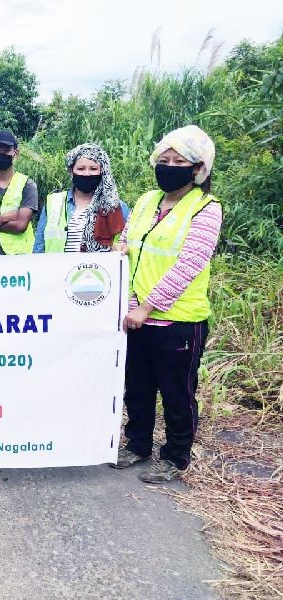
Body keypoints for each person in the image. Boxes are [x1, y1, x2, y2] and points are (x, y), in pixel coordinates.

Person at [112, 125, 222, 483]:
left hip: (178, 320)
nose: (169, 166)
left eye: (179, 161)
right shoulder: (147, 201)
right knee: (137, 388)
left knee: (177, 394)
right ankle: (137, 445)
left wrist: (147, 307)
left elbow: (188, 265)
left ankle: (175, 457)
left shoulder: (205, 208)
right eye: (165, 159)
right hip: (136, 316)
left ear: (197, 168)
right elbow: (127, 243)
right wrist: (119, 253)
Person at [33, 143, 130, 253]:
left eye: (93, 169)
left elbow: (127, 245)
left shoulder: (115, 207)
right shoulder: (54, 203)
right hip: (57, 264)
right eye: (81, 168)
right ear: (71, 171)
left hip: (98, 265)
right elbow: (39, 248)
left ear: (102, 171)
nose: (87, 174)